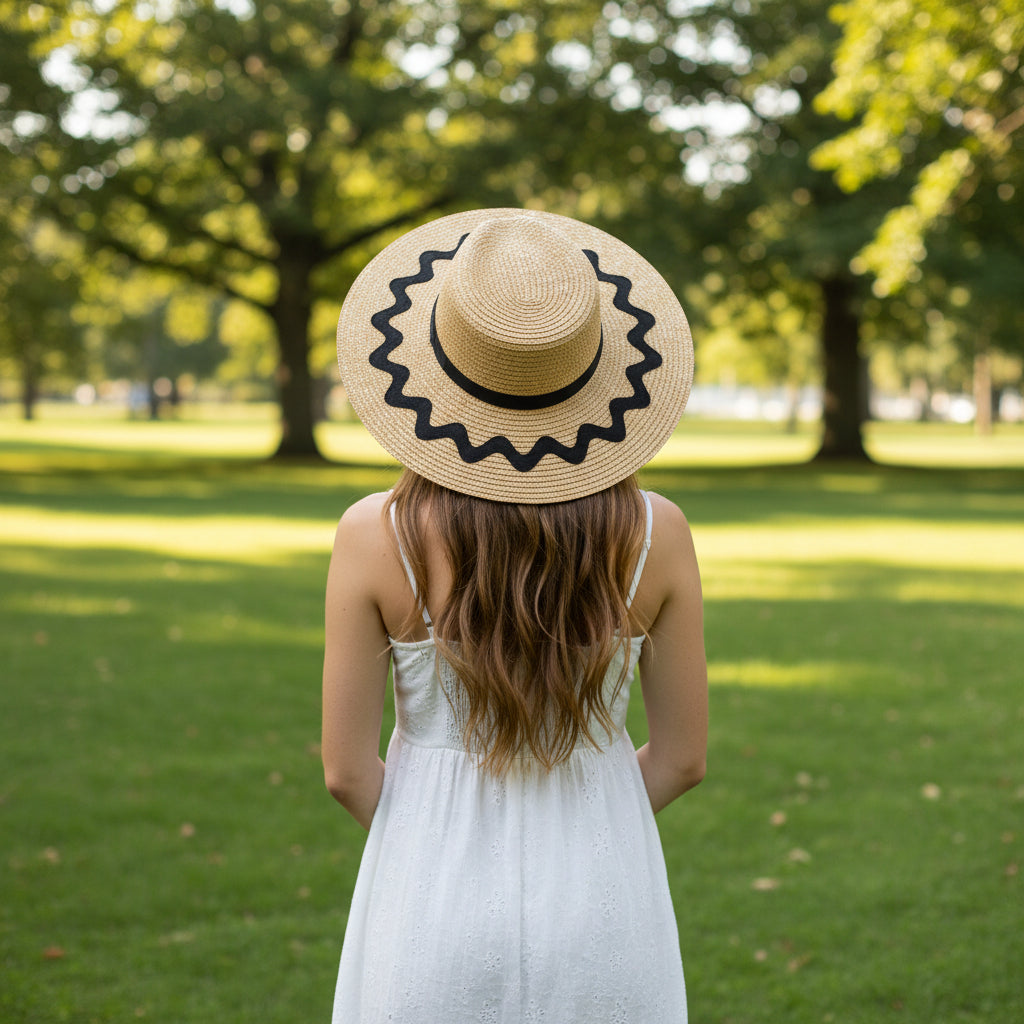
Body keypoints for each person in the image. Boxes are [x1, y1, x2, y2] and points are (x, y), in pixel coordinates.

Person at [322, 209, 708, 1023]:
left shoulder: (373, 535)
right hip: (607, 901)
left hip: (426, 896)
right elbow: (682, 761)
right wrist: (590, 820)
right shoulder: (656, 535)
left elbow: (346, 772)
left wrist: (432, 831)